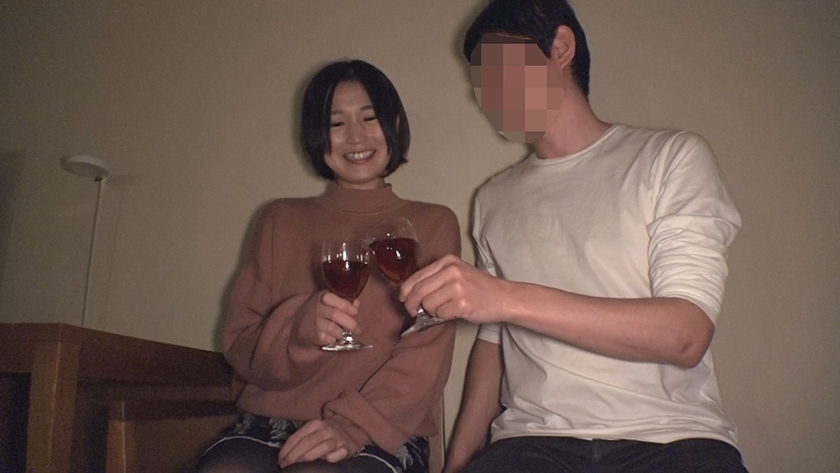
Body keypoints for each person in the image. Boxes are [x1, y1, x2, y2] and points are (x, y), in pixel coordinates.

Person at [399, 1, 748, 472]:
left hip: (672, 438)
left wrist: (504, 296)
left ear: (561, 48)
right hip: (532, 444)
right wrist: (457, 463)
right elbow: (494, 344)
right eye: (479, 79)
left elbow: (685, 335)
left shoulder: (671, 157)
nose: (486, 93)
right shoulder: (494, 200)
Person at [196, 59, 460, 473]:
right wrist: (299, 329)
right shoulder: (279, 219)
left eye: (369, 118)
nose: (355, 136)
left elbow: (427, 356)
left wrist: (351, 427)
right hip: (267, 425)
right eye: (337, 123)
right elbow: (241, 348)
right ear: (317, 135)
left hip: (379, 430)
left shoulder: (433, 223)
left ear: (393, 124)